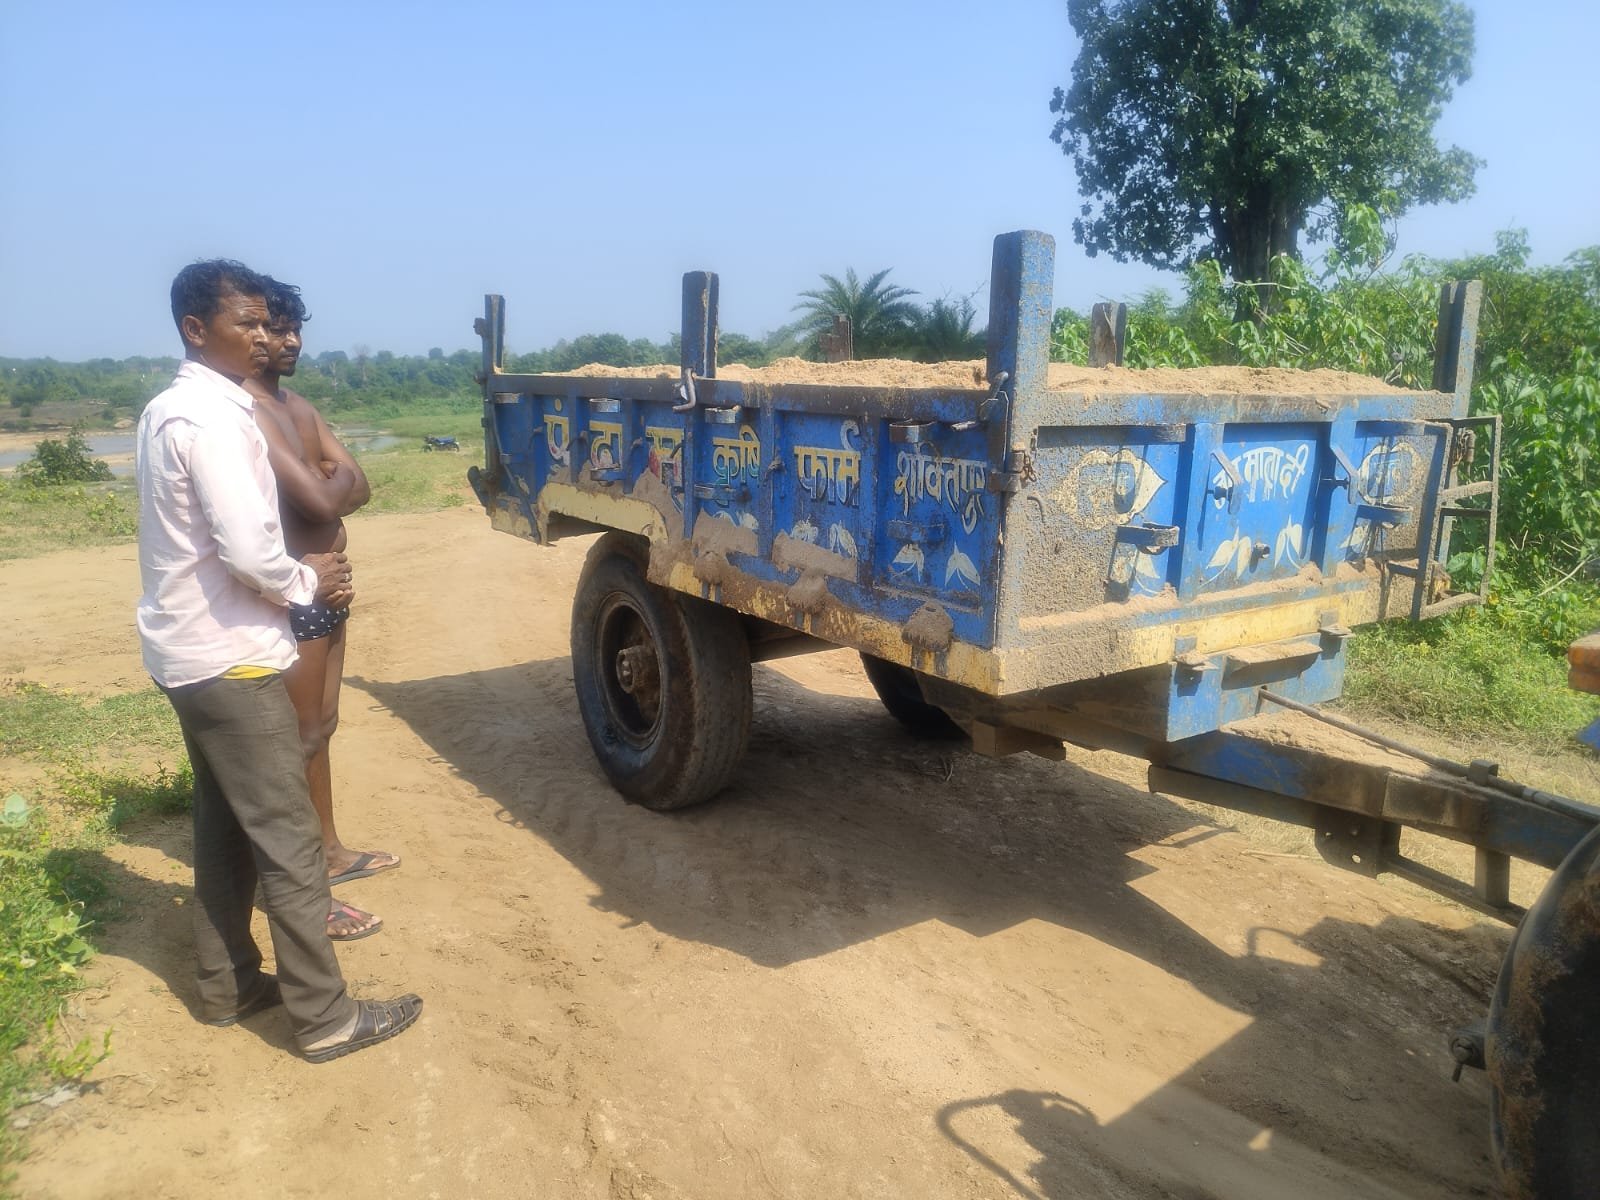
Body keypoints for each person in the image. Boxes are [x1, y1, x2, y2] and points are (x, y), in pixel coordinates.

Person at [136, 258, 420, 1060]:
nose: (264, 338)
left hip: (191, 649)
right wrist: (307, 581)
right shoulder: (217, 420)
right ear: (197, 330)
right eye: (247, 324)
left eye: (268, 324)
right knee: (291, 842)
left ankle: (229, 986)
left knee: (225, 827)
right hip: (231, 656)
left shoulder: (174, 408)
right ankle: (326, 1019)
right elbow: (251, 547)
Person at [245, 277, 398, 942]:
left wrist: (329, 487)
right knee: (297, 736)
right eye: (276, 329)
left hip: (331, 590)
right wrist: (328, 485)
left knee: (324, 725)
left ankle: (331, 851)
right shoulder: (249, 411)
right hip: (293, 590)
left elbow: (357, 483)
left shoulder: (297, 406)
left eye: (293, 328)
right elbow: (322, 497)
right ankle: (304, 884)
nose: (290, 341)